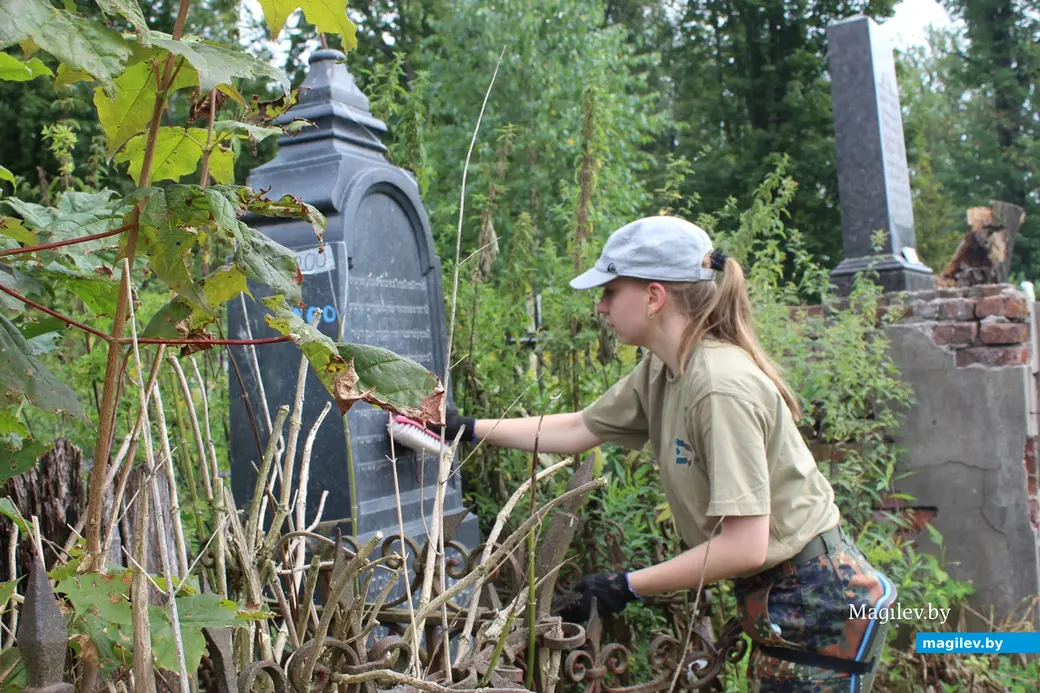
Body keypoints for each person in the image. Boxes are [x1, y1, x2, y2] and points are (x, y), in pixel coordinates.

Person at [432, 216, 898, 692]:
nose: (600, 306)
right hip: (786, 595)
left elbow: (746, 544)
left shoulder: (719, 387)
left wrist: (626, 585)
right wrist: (463, 429)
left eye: (611, 291)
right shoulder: (664, 369)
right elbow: (578, 428)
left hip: (819, 600)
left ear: (654, 297)